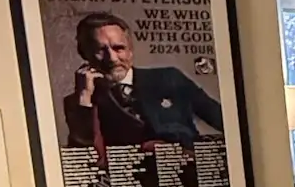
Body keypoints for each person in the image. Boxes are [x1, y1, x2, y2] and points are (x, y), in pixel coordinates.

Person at [62, 12, 225, 153]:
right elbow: (83, 158)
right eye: (100, 50)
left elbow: (225, 121)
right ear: (84, 54)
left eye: (118, 48)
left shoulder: (169, 78)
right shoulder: (80, 103)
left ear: (130, 50)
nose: (112, 58)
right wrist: (84, 97)